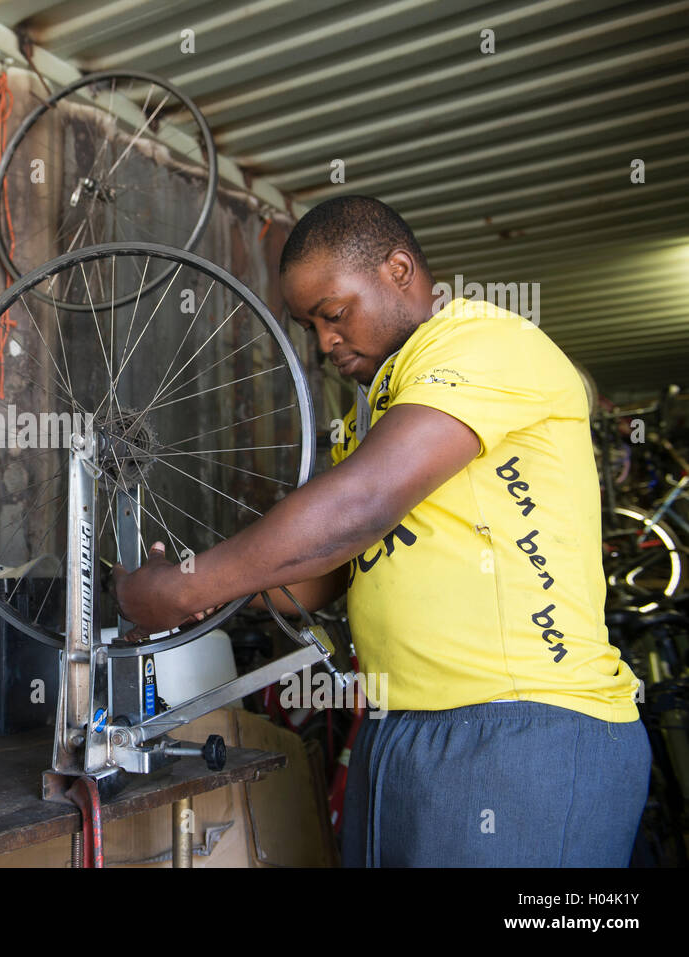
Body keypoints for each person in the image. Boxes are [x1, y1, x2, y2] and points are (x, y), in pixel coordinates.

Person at [113, 195, 651, 867]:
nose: (325, 343)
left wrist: (185, 584)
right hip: (400, 731)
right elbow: (319, 571)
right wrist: (191, 601)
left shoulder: (486, 341)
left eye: (333, 315)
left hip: (523, 730)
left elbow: (359, 505)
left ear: (399, 270)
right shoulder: (382, 406)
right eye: (310, 326)